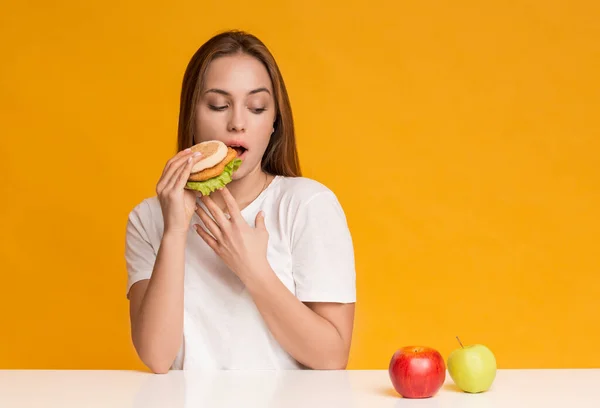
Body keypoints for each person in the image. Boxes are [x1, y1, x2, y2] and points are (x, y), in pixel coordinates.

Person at [124, 30, 356, 373]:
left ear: (274, 121)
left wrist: (252, 267)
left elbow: (332, 357)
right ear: (192, 115)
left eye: (257, 107)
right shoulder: (148, 219)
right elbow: (157, 358)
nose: (236, 122)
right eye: (218, 105)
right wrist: (174, 230)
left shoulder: (308, 206)